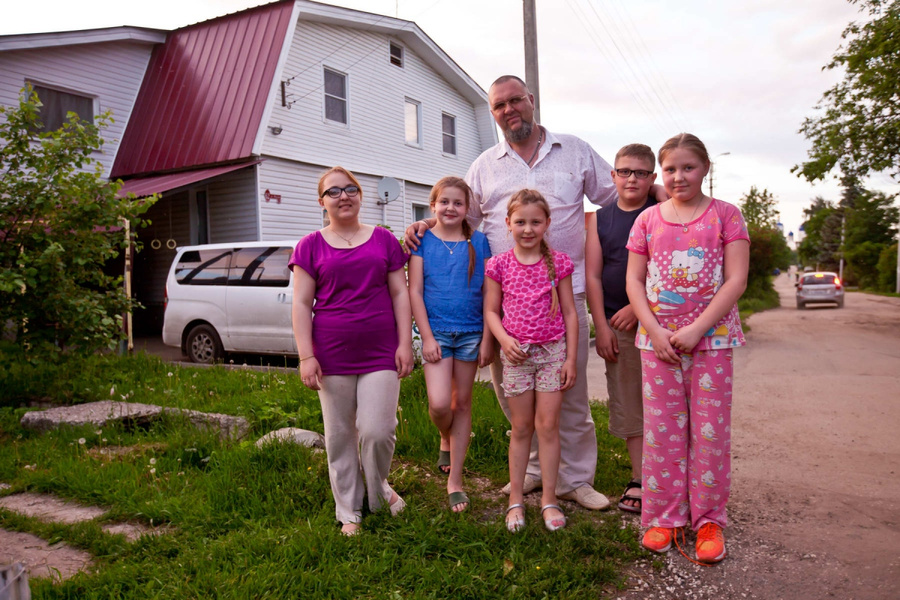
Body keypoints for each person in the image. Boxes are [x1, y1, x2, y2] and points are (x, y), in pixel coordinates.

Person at [406, 75, 666, 510]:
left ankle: (575, 479)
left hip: (566, 296)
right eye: (498, 106)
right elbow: (459, 218)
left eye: (515, 101)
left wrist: (661, 191)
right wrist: (423, 226)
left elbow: (616, 192)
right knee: (513, 394)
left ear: (531, 101)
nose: (508, 110)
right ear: (493, 114)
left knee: (572, 392)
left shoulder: (575, 151)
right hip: (506, 306)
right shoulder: (484, 165)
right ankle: (529, 471)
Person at [625, 133, 750, 564]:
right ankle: (664, 517)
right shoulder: (647, 221)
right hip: (657, 344)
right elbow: (634, 282)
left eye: (688, 167)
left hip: (712, 341)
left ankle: (709, 520)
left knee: (709, 432)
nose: (679, 176)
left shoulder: (726, 216)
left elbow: (736, 280)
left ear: (705, 169)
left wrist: (697, 329)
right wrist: (655, 331)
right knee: (663, 434)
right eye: (671, 169)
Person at [290, 166, 414, 537]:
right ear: (322, 202)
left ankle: (378, 493)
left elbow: (399, 293)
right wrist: (306, 355)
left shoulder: (383, 240)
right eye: (334, 192)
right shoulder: (310, 245)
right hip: (331, 353)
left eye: (350, 189)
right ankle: (348, 511)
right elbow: (300, 304)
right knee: (340, 434)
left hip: (381, 351)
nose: (343, 196)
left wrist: (405, 343)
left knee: (378, 430)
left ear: (360, 195)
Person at [484, 189, 578, 532]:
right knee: (522, 428)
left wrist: (570, 358)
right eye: (520, 221)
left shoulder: (560, 263)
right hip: (517, 356)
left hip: (552, 354)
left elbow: (570, 312)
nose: (527, 228)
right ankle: (515, 501)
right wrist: (504, 341)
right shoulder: (498, 265)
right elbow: (491, 312)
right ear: (508, 223)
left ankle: (549, 499)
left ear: (547, 224)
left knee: (548, 426)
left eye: (535, 222)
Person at [407, 176, 493, 513]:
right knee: (440, 404)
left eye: (458, 203)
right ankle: (445, 436)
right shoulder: (422, 242)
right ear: (433, 206)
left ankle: (455, 479)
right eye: (444, 202)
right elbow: (414, 291)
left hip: (472, 333)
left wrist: (488, 338)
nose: (451, 208)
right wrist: (426, 337)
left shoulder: (480, 242)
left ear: (467, 208)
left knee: (463, 404)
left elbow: (489, 293)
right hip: (438, 334)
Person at [585, 143, 659, 514]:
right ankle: (640, 477)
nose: (632, 178)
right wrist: (601, 326)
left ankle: (671, 472)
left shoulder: (663, 212)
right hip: (618, 325)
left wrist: (638, 305)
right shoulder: (599, 219)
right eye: (625, 171)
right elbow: (594, 275)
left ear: (653, 178)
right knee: (629, 401)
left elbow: (668, 270)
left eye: (641, 172)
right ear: (612, 176)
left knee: (664, 402)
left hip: (660, 323)